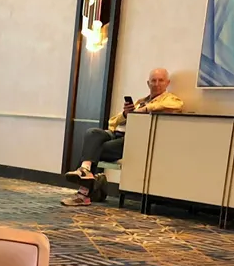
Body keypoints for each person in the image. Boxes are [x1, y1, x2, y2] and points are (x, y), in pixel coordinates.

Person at [61, 68, 184, 207]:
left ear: (167, 83)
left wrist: (144, 109)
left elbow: (178, 105)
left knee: (95, 149)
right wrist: (126, 114)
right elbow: (112, 122)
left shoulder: (170, 99)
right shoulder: (140, 101)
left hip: (131, 139)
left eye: (160, 80)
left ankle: (83, 191)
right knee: (92, 133)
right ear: (148, 83)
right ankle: (85, 169)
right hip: (116, 133)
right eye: (153, 81)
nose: (156, 84)